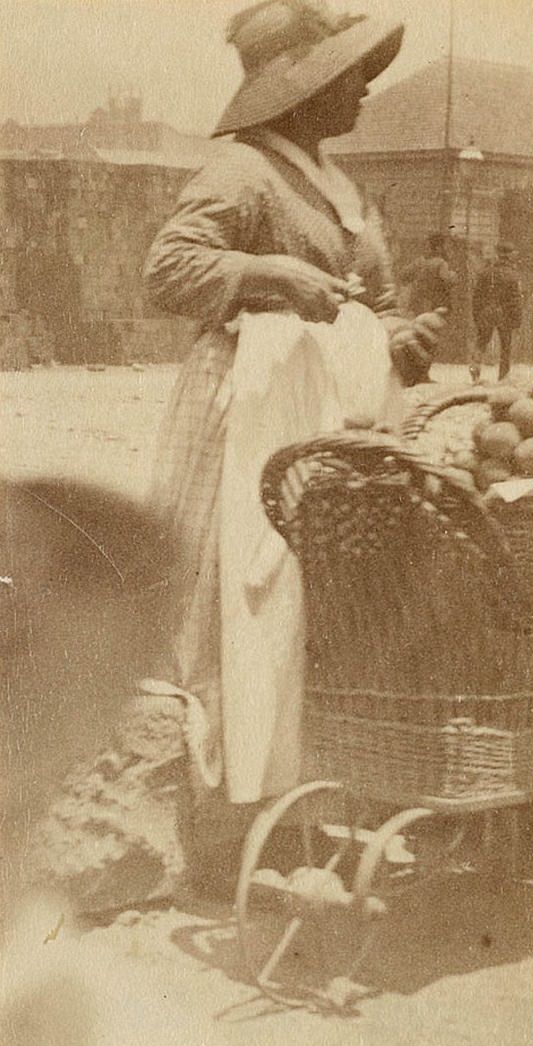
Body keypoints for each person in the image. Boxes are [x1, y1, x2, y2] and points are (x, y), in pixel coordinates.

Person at [142, 0, 445, 857]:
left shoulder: (342, 188)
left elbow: (375, 305)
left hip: (326, 425)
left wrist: (402, 338)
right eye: (347, 74)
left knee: (322, 602)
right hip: (247, 412)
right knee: (232, 595)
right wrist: (269, 272)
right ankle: (214, 815)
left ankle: (296, 797)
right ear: (301, 90)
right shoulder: (242, 174)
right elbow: (168, 271)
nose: (362, 90)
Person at [472, 241, 522, 382]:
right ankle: (503, 378)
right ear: (509, 256)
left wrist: (476, 315)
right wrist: (517, 318)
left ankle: (474, 372)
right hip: (504, 314)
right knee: (505, 347)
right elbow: (515, 300)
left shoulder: (485, 273)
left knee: (481, 343)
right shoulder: (513, 275)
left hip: (486, 312)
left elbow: (477, 297)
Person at [399, 232, 456, 317]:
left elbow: (403, 274)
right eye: (446, 247)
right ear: (439, 248)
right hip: (436, 303)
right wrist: (453, 275)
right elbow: (447, 279)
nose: (448, 250)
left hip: (419, 303)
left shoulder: (420, 262)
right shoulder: (441, 263)